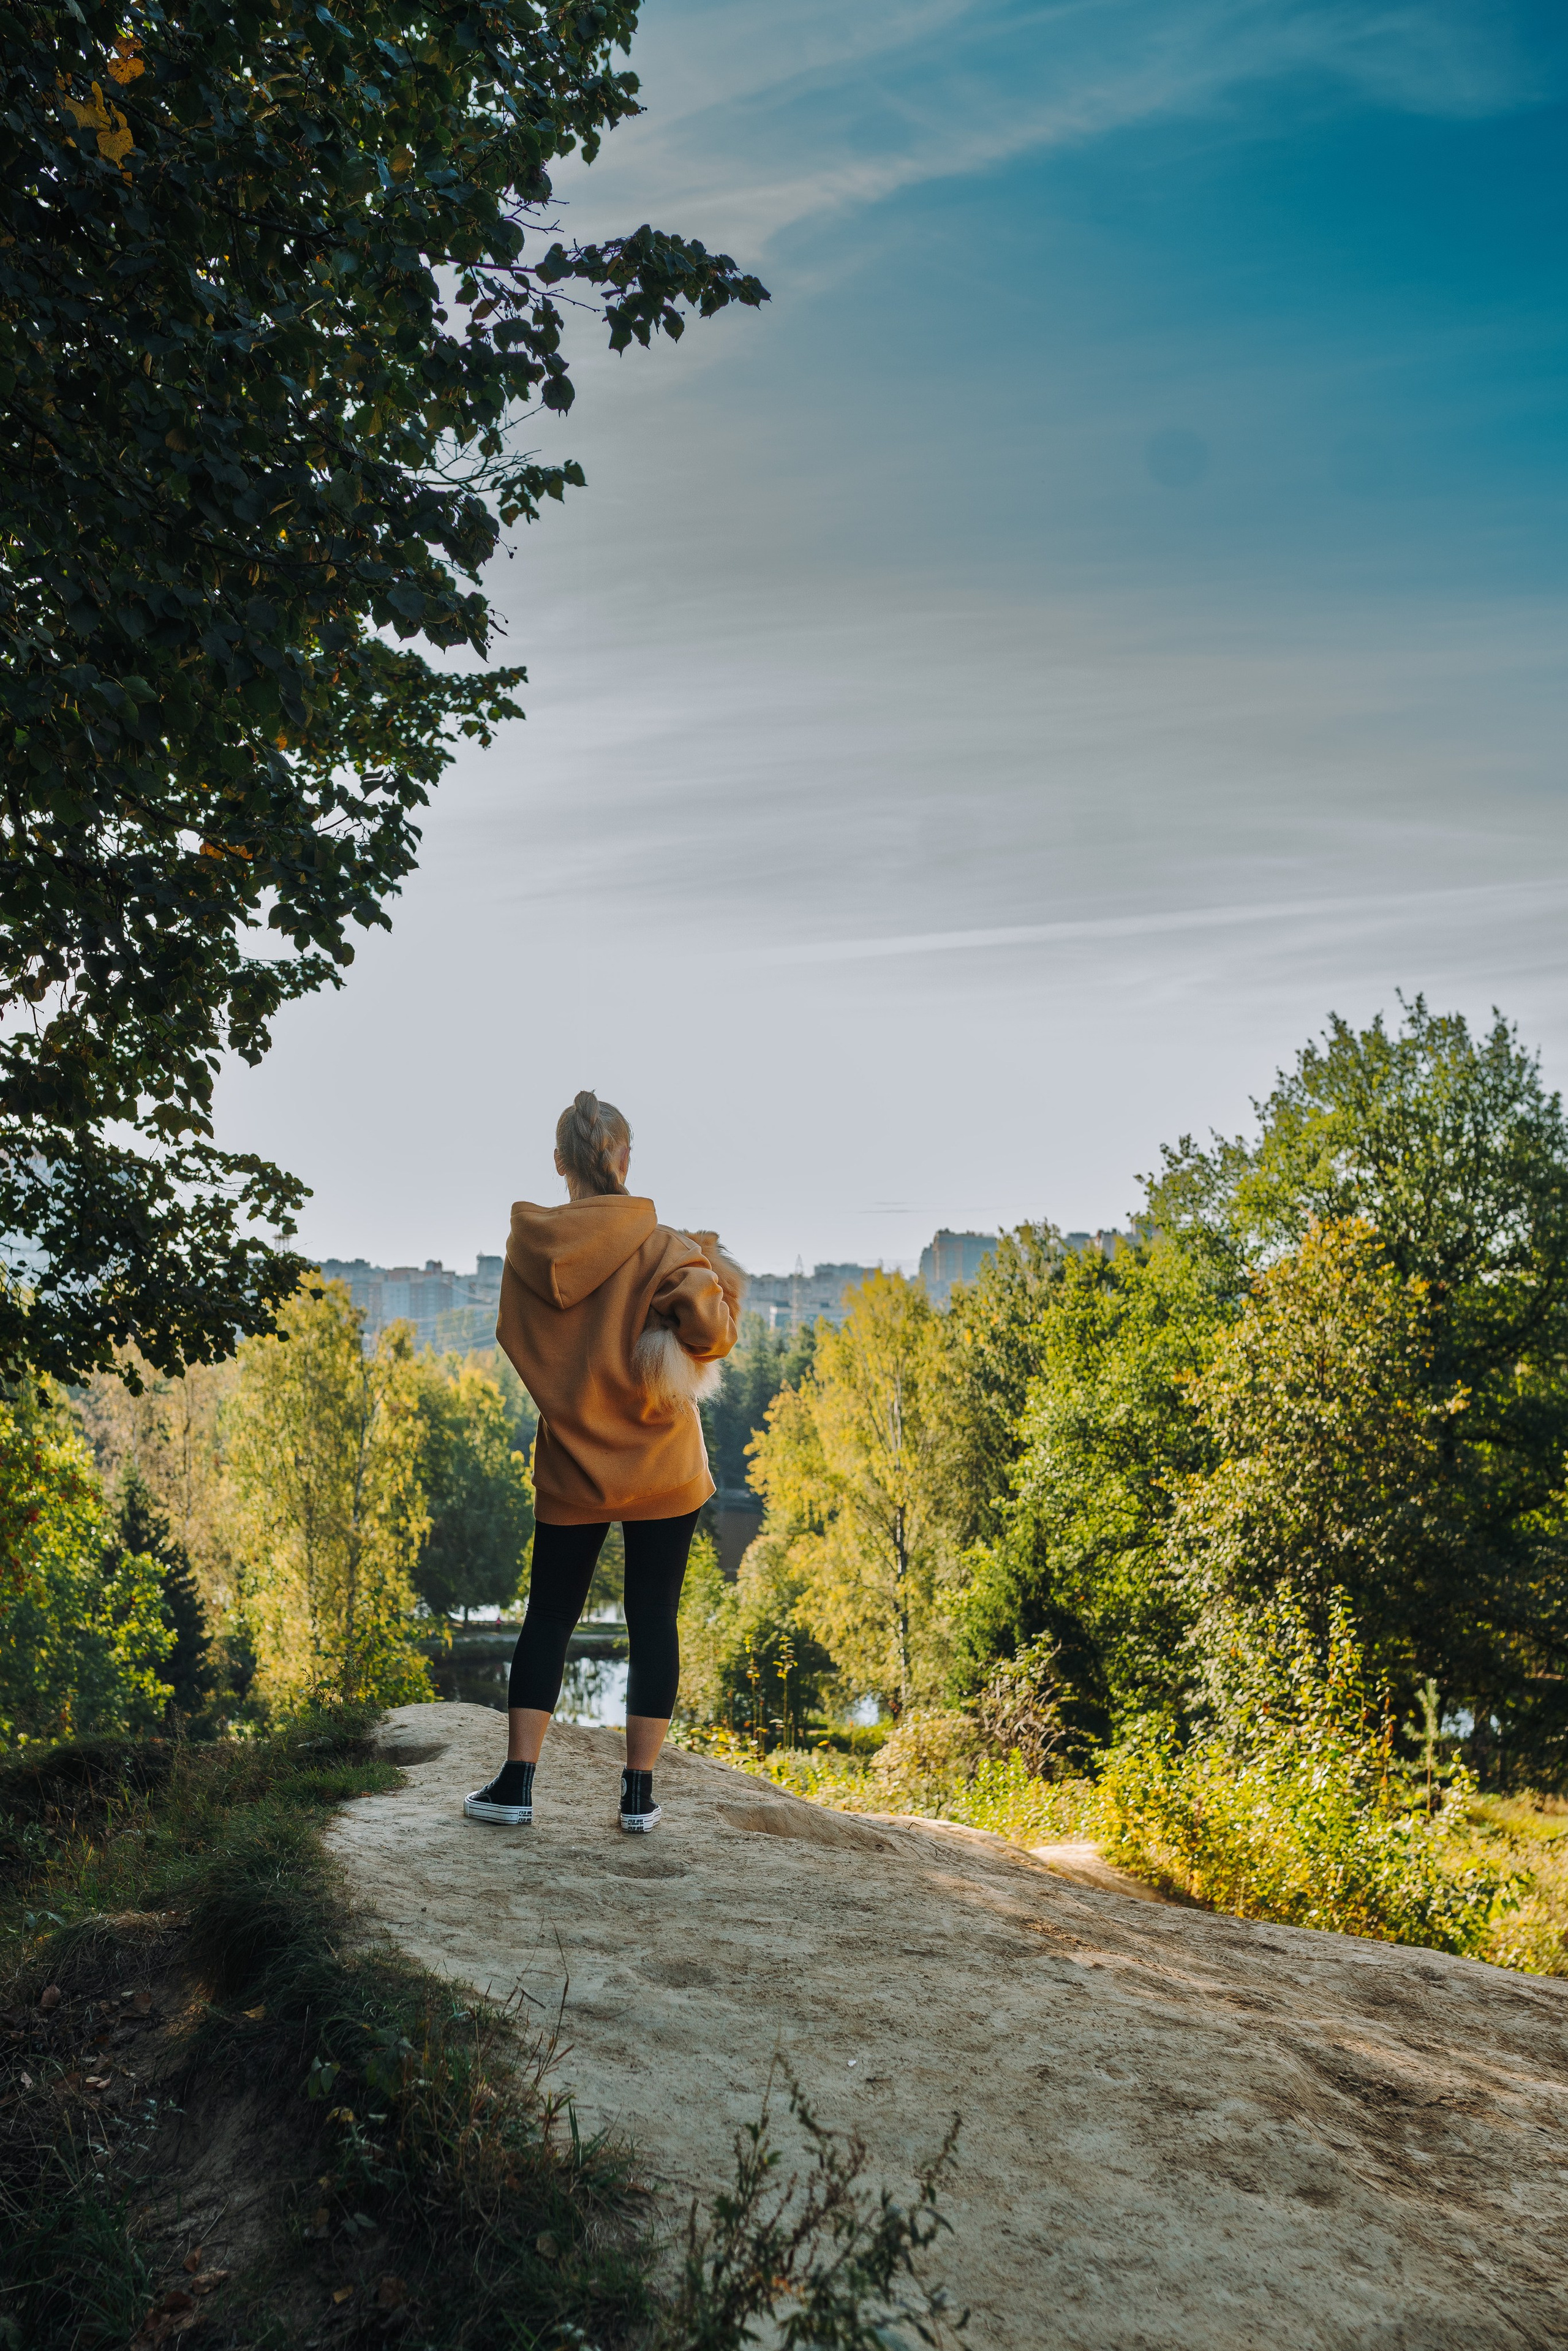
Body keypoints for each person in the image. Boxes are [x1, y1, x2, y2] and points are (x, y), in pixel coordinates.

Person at [464, 1090, 742, 1834]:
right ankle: (639, 1797)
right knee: (655, 1618)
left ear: (559, 1163)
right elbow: (712, 1336)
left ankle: (518, 1785)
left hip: (571, 1462)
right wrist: (708, 1270)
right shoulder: (664, 1246)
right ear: (623, 1158)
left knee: (549, 1615)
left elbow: (515, 1339)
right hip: (664, 1464)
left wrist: (574, 1401)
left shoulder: (527, 1252)